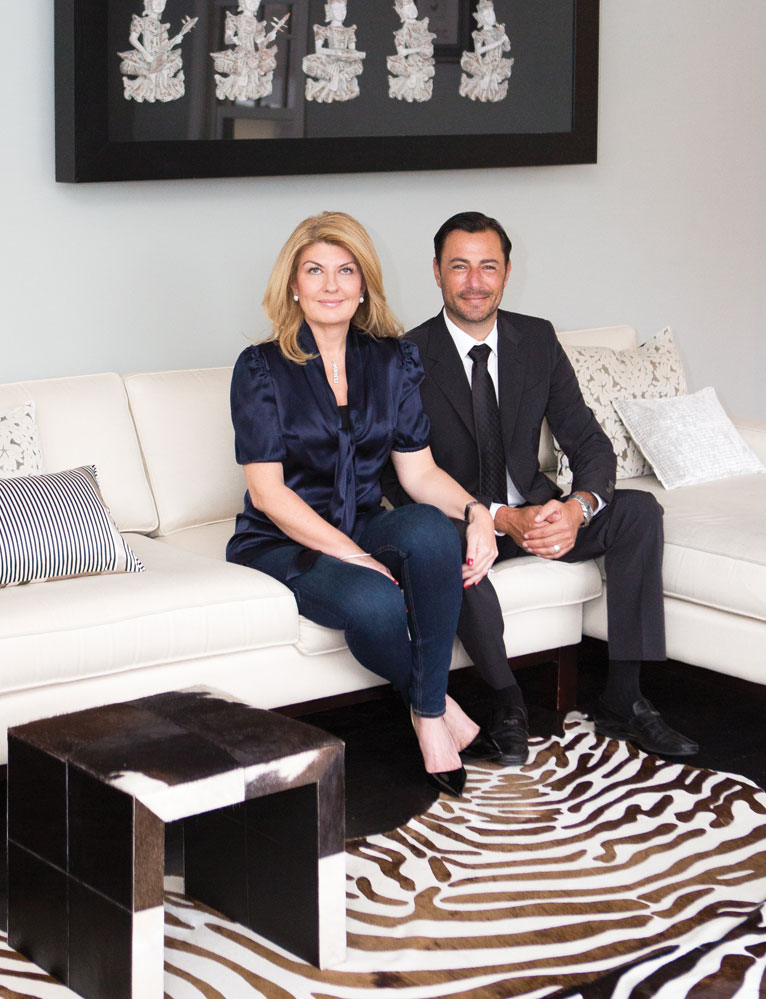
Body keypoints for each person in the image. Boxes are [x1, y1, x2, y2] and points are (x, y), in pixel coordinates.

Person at [384, 211, 698, 765]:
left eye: (488, 266)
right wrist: (499, 517)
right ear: (436, 272)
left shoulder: (536, 338)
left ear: (507, 272)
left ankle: (624, 697)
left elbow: (588, 441)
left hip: (540, 507)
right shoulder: (408, 357)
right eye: (459, 266)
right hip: (464, 520)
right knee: (446, 551)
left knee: (639, 511)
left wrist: (577, 507)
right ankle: (508, 704)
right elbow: (400, 475)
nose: (475, 281)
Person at [226, 211, 502, 796]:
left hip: (362, 520)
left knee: (430, 529)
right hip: (281, 540)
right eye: (315, 271)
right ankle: (433, 705)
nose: (331, 285)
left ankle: (426, 716)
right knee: (375, 602)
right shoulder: (260, 368)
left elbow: (419, 472)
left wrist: (478, 513)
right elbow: (267, 493)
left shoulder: (391, 360)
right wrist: (353, 555)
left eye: (345, 270)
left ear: (363, 284)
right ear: (293, 284)